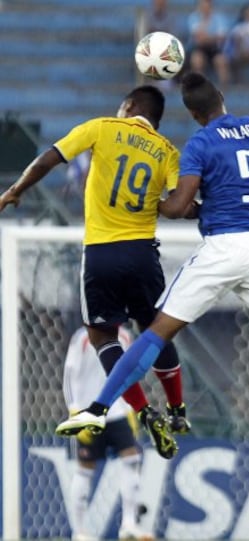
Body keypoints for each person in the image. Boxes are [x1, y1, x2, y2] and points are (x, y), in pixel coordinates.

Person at [55, 71, 249, 496]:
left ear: (192, 114)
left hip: (222, 249)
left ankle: (97, 408)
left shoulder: (201, 144)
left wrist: (153, 198)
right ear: (223, 98)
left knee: (157, 331)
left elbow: (178, 206)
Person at [0, 84, 192, 460]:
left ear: (129, 106)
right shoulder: (169, 152)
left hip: (101, 252)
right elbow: (180, 205)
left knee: (103, 335)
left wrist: (14, 191)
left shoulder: (101, 127)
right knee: (157, 330)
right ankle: (177, 409)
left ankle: (144, 411)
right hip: (143, 255)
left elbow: (48, 159)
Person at [64, 324, 153, 541]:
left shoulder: (124, 336)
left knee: (132, 458)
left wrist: (131, 409)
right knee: (85, 469)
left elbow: (130, 375)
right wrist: (74, 409)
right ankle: (80, 531)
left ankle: (129, 525)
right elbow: (69, 374)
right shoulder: (82, 338)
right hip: (88, 412)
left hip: (117, 411)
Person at [186, 0, 230, 86]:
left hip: (215, 48)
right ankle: (199, 89)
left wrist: (206, 37)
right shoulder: (193, 17)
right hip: (199, 48)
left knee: (221, 61)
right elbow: (198, 38)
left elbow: (222, 38)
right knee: (197, 60)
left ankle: (224, 90)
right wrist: (205, 21)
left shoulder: (219, 18)